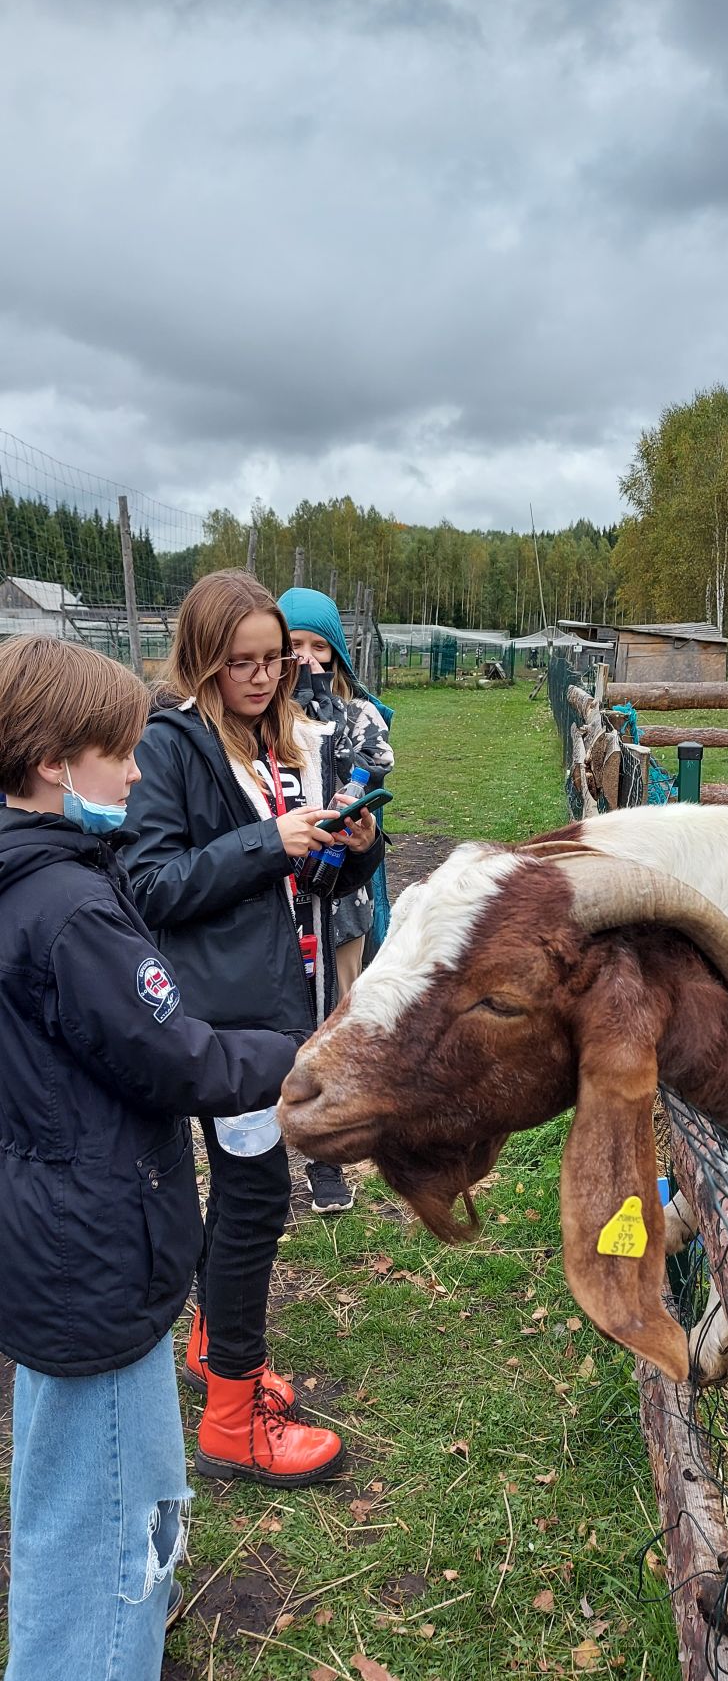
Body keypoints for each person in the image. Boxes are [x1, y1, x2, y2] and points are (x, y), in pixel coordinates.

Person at [0, 635, 300, 1681]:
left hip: (49, 1233)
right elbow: (178, 1054)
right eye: (117, 753)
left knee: (70, 1492)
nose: (136, 771)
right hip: (98, 1251)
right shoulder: (71, 910)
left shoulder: (28, 876)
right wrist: (306, 1057)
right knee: (119, 1520)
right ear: (53, 764)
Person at [123, 570, 383, 1486]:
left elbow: (295, 891)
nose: (266, 676)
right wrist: (271, 840)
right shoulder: (171, 746)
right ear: (201, 660)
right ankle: (233, 1417)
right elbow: (150, 883)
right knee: (257, 1200)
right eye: (242, 662)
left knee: (245, 1197)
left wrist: (351, 852)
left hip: (281, 1003)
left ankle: (209, 1345)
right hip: (222, 1019)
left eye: (275, 660)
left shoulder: (277, 739)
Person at [277, 587, 394, 1214]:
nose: (305, 661)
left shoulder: (356, 716)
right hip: (273, 901)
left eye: (317, 647)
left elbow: (367, 779)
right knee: (279, 1021)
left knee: (334, 1020)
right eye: (291, 647)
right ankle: (270, 1137)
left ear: (337, 654)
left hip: (339, 901)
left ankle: (327, 1157)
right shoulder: (257, 726)